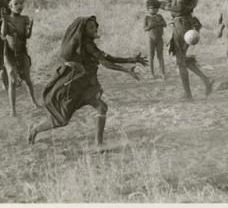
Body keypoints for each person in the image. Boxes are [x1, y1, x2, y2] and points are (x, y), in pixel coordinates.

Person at [28, 16, 147, 147]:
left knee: (102, 107)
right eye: (91, 27)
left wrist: (131, 60)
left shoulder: (87, 44)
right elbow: (106, 63)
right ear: (83, 30)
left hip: (86, 85)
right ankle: (35, 129)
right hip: (75, 86)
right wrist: (126, 70)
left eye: (95, 26)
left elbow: (107, 57)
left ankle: (98, 145)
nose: (95, 29)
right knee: (62, 120)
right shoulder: (87, 45)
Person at [160, 0, 213, 101]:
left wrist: (163, 6)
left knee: (180, 61)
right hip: (188, 23)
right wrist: (172, 3)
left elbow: (180, 9)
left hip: (181, 24)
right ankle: (206, 80)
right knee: (183, 58)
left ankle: (188, 95)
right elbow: (185, 7)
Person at [1, 0, 40, 116]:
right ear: (10, 6)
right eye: (16, 3)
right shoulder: (6, 18)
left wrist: (31, 26)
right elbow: (3, 34)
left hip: (22, 52)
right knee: (12, 78)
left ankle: (34, 102)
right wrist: (4, 20)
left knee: (28, 80)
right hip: (10, 54)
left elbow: (27, 36)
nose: (19, 5)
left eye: (21, 3)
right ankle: (13, 110)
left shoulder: (25, 18)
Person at [144, 0, 167, 79]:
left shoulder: (160, 16)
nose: (154, 10)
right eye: (152, 8)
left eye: (156, 8)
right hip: (151, 39)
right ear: (148, 9)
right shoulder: (147, 18)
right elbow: (145, 29)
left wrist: (159, 22)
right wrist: (151, 25)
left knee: (160, 56)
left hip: (159, 39)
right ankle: (151, 73)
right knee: (151, 56)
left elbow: (165, 24)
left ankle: (162, 72)